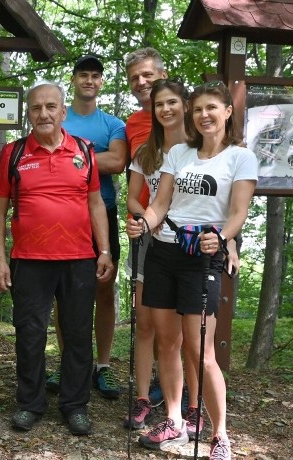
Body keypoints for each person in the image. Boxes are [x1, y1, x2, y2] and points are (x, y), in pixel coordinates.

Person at [125, 82, 257, 460]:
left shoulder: (241, 158)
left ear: (226, 112)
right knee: (167, 342)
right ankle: (173, 420)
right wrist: (143, 223)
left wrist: (224, 237)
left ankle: (221, 438)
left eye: (212, 108)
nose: (204, 116)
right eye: (198, 109)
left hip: (204, 256)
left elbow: (238, 212)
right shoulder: (178, 152)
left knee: (202, 351)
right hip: (165, 251)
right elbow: (161, 202)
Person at [0, 81, 114, 436]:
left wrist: (104, 250)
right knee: (29, 334)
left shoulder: (84, 151)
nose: (43, 114)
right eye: (36, 108)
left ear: (63, 112)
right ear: (27, 114)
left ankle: (75, 405)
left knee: (77, 333)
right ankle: (30, 403)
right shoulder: (14, 153)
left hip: (79, 259)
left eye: (50, 107)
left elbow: (95, 204)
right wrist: (0, 258)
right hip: (28, 259)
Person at [44, 54, 126, 401]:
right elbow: (46, 153)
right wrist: (94, 157)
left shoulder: (113, 125)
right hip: (64, 217)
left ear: (101, 82)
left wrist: (75, 156)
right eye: (83, 75)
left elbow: (119, 161)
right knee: (64, 294)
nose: (89, 81)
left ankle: (102, 366)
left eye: (95, 76)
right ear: (74, 79)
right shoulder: (60, 118)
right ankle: (67, 362)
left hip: (102, 213)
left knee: (103, 289)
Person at [124, 79, 189, 430]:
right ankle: (142, 398)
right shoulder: (146, 153)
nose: (165, 109)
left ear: (185, 106)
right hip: (150, 241)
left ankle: (185, 404)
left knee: (179, 332)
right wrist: (147, 221)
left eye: (172, 102)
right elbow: (134, 198)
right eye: (159, 104)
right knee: (146, 324)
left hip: (189, 247)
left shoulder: (200, 150)